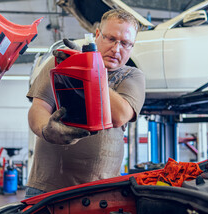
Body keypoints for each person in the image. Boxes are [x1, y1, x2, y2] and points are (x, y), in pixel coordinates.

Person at [25, 9, 145, 198]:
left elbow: (120, 115)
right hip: (46, 187)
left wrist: (91, 69)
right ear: (97, 35)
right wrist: (46, 129)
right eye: (110, 39)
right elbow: (38, 108)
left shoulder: (132, 76)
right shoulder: (62, 62)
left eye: (125, 43)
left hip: (100, 192)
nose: (116, 49)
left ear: (132, 46)